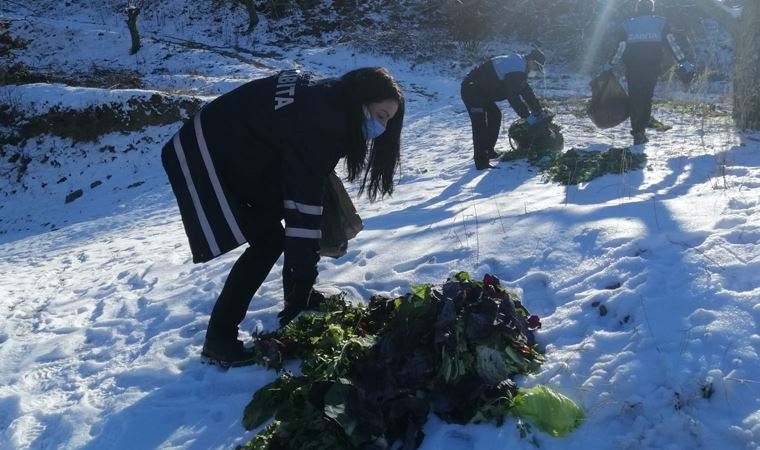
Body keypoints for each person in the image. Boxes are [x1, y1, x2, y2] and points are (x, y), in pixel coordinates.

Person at [161, 67, 404, 367]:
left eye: (388, 121)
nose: (381, 127)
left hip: (245, 149)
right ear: (362, 100)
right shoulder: (325, 122)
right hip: (204, 155)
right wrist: (304, 277)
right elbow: (303, 207)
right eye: (381, 115)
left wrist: (303, 280)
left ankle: (295, 293)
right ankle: (219, 339)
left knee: (310, 201)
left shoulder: (332, 99)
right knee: (268, 241)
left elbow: (304, 188)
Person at [607, 0, 694, 145]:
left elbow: (620, 48)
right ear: (652, 9)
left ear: (637, 9)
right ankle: (641, 130)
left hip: (633, 69)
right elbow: (672, 44)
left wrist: (610, 64)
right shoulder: (661, 23)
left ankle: (637, 132)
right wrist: (683, 61)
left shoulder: (627, 25)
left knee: (635, 98)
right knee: (646, 98)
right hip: (652, 69)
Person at [461, 49, 548, 170]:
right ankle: (481, 162)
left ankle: (489, 151)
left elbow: (526, 91)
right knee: (479, 125)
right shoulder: (517, 67)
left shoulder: (520, 66)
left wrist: (538, 110)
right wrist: (527, 117)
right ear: (532, 61)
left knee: (495, 116)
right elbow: (513, 96)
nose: (536, 71)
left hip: (483, 92)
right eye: (537, 67)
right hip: (472, 90)